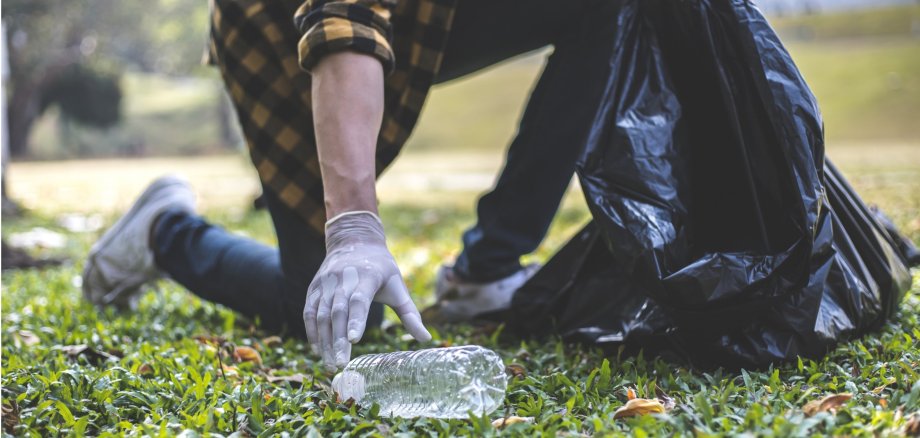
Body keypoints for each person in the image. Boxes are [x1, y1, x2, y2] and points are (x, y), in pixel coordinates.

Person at [83, 0, 623, 370]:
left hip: (427, 14)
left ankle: (488, 269)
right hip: (278, 28)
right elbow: (342, 18)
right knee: (325, 312)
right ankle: (165, 232)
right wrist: (354, 229)